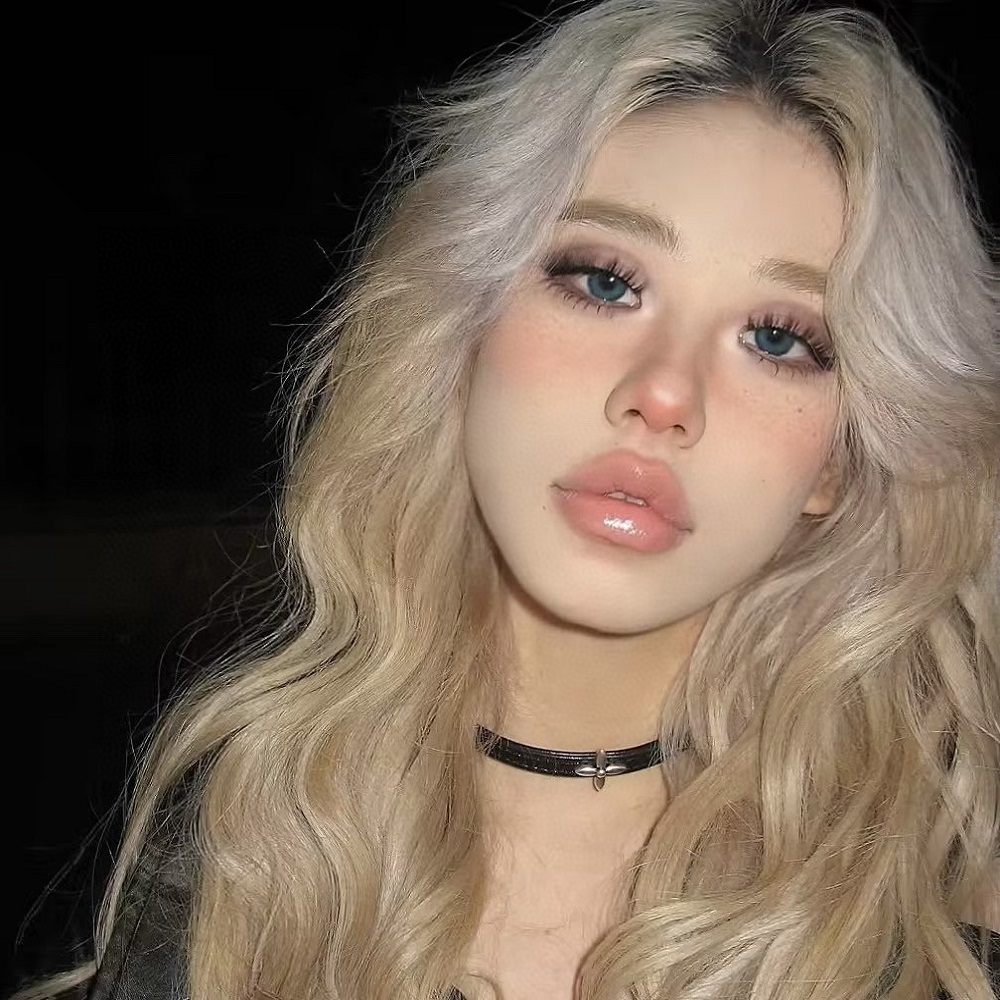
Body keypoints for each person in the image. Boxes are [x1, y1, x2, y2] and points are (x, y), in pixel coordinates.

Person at [16, 0, 999, 998]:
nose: (664, 395)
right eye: (606, 282)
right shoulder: (245, 857)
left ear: (839, 462)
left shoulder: (933, 932)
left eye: (778, 338)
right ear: (464, 327)